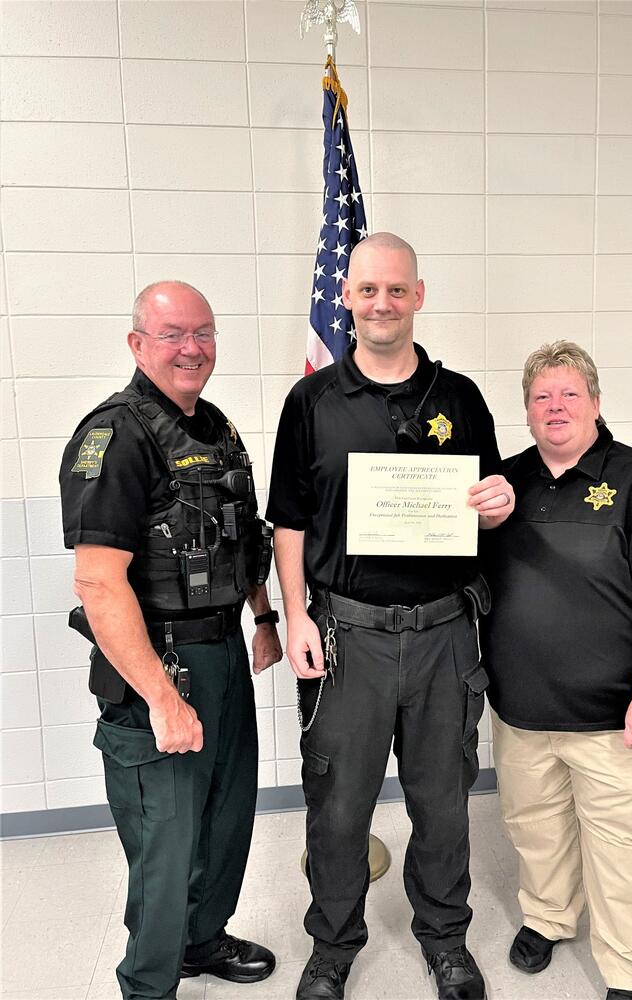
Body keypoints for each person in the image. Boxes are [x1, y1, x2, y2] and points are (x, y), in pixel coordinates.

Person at [266, 232, 515, 1000]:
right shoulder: (311, 402)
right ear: (348, 297)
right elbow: (289, 524)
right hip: (348, 638)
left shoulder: (460, 398)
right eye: (368, 289)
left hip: (444, 635)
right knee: (338, 807)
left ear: (418, 295)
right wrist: (296, 617)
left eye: (396, 289)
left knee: (443, 804)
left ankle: (444, 940)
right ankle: (334, 946)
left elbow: (489, 502)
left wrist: (500, 502)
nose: (381, 303)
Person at [59, 281, 282, 1000]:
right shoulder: (115, 436)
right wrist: (161, 695)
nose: (192, 348)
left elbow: (238, 536)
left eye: (204, 333)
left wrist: (265, 617)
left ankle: (201, 938)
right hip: (159, 665)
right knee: (165, 841)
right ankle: (148, 984)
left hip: (222, 653)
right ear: (137, 344)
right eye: (172, 334)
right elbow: (97, 583)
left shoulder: (216, 427)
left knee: (225, 814)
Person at [480, 341, 632, 1000]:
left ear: (595, 402)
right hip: (521, 714)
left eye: (569, 394)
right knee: (536, 830)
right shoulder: (504, 485)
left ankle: (630, 972)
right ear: (526, 411)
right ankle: (549, 918)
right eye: (541, 397)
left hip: (614, 721)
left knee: (627, 855)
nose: (555, 407)